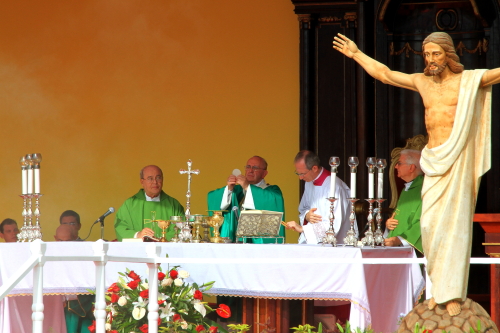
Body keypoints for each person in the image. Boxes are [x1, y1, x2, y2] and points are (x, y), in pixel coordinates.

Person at [333, 31, 499, 315]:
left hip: (457, 160)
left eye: (436, 53)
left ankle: (453, 296)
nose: (431, 59)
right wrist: (356, 54)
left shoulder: (466, 81)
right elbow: (385, 74)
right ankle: (437, 290)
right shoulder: (422, 82)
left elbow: (496, 75)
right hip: (434, 160)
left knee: (455, 228)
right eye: (427, 54)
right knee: (431, 226)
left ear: (449, 55)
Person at [207, 156, 285, 243]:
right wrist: (229, 189)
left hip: (257, 243)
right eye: (248, 167)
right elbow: (213, 197)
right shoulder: (237, 190)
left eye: (255, 168)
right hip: (236, 240)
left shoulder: (271, 190)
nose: (250, 170)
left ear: (264, 173)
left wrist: (248, 186)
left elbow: (274, 201)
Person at [285, 150, 355, 244]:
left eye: (302, 173)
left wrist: (303, 229)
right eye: (298, 173)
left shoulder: (334, 187)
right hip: (312, 241)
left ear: (314, 168)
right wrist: (307, 215)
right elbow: (303, 208)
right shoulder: (309, 182)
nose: (300, 178)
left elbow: (335, 223)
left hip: (333, 245)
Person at [114, 165, 184, 241]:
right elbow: (120, 226)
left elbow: (181, 228)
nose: (155, 182)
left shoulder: (173, 205)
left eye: (158, 178)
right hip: (138, 251)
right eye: (150, 178)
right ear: (142, 182)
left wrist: (161, 240)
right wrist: (138, 234)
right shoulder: (130, 204)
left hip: (166, 250)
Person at [384, 149, 423, 254]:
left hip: (412, 251)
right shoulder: (407, 188)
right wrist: (389, 225)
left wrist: (400, 240)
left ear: (411, 167)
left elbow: (424, 221)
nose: (396, 166)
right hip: (396, 248)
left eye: (399, 163)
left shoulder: (424, 190)